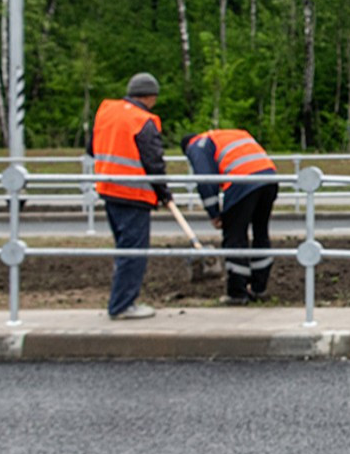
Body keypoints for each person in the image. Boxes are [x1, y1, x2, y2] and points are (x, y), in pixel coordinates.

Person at [89, 72, 172, 318]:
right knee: (133, 251)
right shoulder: (143, 120)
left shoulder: (107, 112)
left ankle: (121, 302)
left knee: (124, 248)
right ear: (151, 97)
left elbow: (91, 147)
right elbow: (153, 161)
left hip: (108, 189)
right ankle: (123, 305)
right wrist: (164, 193)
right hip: (133, 194)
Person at [183, 128, 279, 305]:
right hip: (269, 178)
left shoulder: (196, 145)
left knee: (234, 236)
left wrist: (214, 213)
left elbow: (205, 179)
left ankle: (237, 293)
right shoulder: (227, 135)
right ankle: (259, 288)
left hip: (242, 182)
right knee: (261, 232)